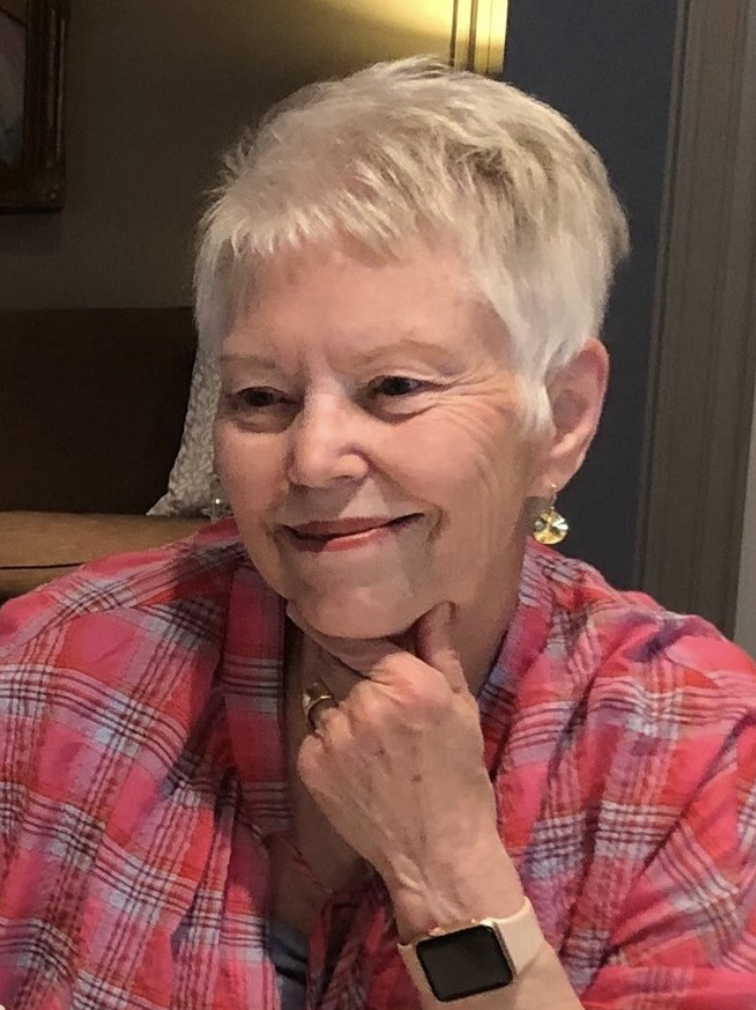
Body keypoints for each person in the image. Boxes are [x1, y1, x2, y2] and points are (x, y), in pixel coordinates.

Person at [1, 57, 754, 1010]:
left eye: (395, 387)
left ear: (561, 418)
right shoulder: (56, 669)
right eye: (261, 397)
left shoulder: (689, 749)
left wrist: (445, 874)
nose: (313, 459)